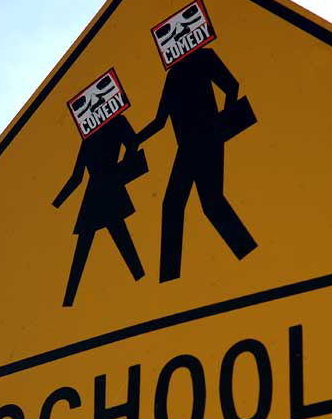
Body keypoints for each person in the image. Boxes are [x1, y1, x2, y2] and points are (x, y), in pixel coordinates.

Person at [138, 47, 257, 283]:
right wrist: (135, 141)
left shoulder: (205, 57)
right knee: (179, 205)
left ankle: (250, 257)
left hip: (208, 139)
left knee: (208, 204)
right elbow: (160, 121)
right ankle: (170, 280)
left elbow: (231, 86)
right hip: (188, 148)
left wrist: (220, 127)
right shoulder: (173, 75)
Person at [52, 114, 145, 306]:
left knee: (114, 239)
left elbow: (132, 143)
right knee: (106, 239)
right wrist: (56, 204)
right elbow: (77, 177)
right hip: (101, 192)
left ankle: (69, 300)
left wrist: (121, 173)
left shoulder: (115, 124)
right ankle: (68, 300)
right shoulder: (95, 133)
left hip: (100, 192)